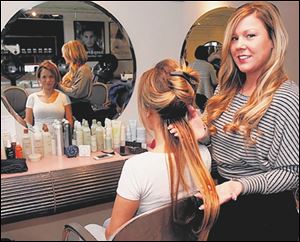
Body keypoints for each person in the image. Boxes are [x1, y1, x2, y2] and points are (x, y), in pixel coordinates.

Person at [170, 2, 299, 241]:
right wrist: (205, 133)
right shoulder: (226, 90)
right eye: (235, 38)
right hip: (225, 204)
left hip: (268, 215)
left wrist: (238, 186)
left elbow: (292, 173)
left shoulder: (286, 97)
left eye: (250, 35)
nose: (240, 46)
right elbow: (225, 147)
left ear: (273, 40)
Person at [85, 59, 219, 241]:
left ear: (148, 112)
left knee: (94, 227)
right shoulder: (203, 155)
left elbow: (114, 236)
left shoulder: (137, 168)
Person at [25, 60, 73, 129]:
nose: (48, 80)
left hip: (59, 137)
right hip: (39, 137)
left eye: (51, 76)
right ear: (39, 79)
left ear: (55, 78)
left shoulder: (64, 98)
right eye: (44, 77)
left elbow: (69, 123)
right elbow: (28, 124)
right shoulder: (32, 98)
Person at [58, 40, 95, 125]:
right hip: (72, 108)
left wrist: (58, 85)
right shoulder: (72, 71)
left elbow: (76, 93)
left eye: (64, 53)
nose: (63, 55)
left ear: (70, 54)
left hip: (81, 111)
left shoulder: (84, 69)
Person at [189, 45, 218, 110]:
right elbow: (215, 82)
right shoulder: (209, 66)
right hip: (207, 95)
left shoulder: (190, 65)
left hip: (194, 95)